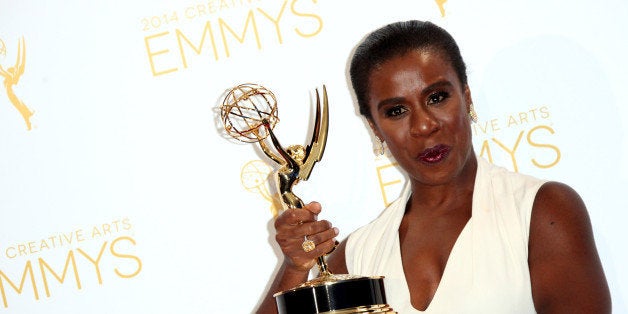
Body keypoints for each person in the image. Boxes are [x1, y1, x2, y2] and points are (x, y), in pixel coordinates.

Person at [256, 20, 611, 313]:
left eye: (437, 97)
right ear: (374, 128)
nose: (424, 125)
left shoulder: (541, 211)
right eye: (396, 111)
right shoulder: (360, 251)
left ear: (467, 97)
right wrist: (296, 268)